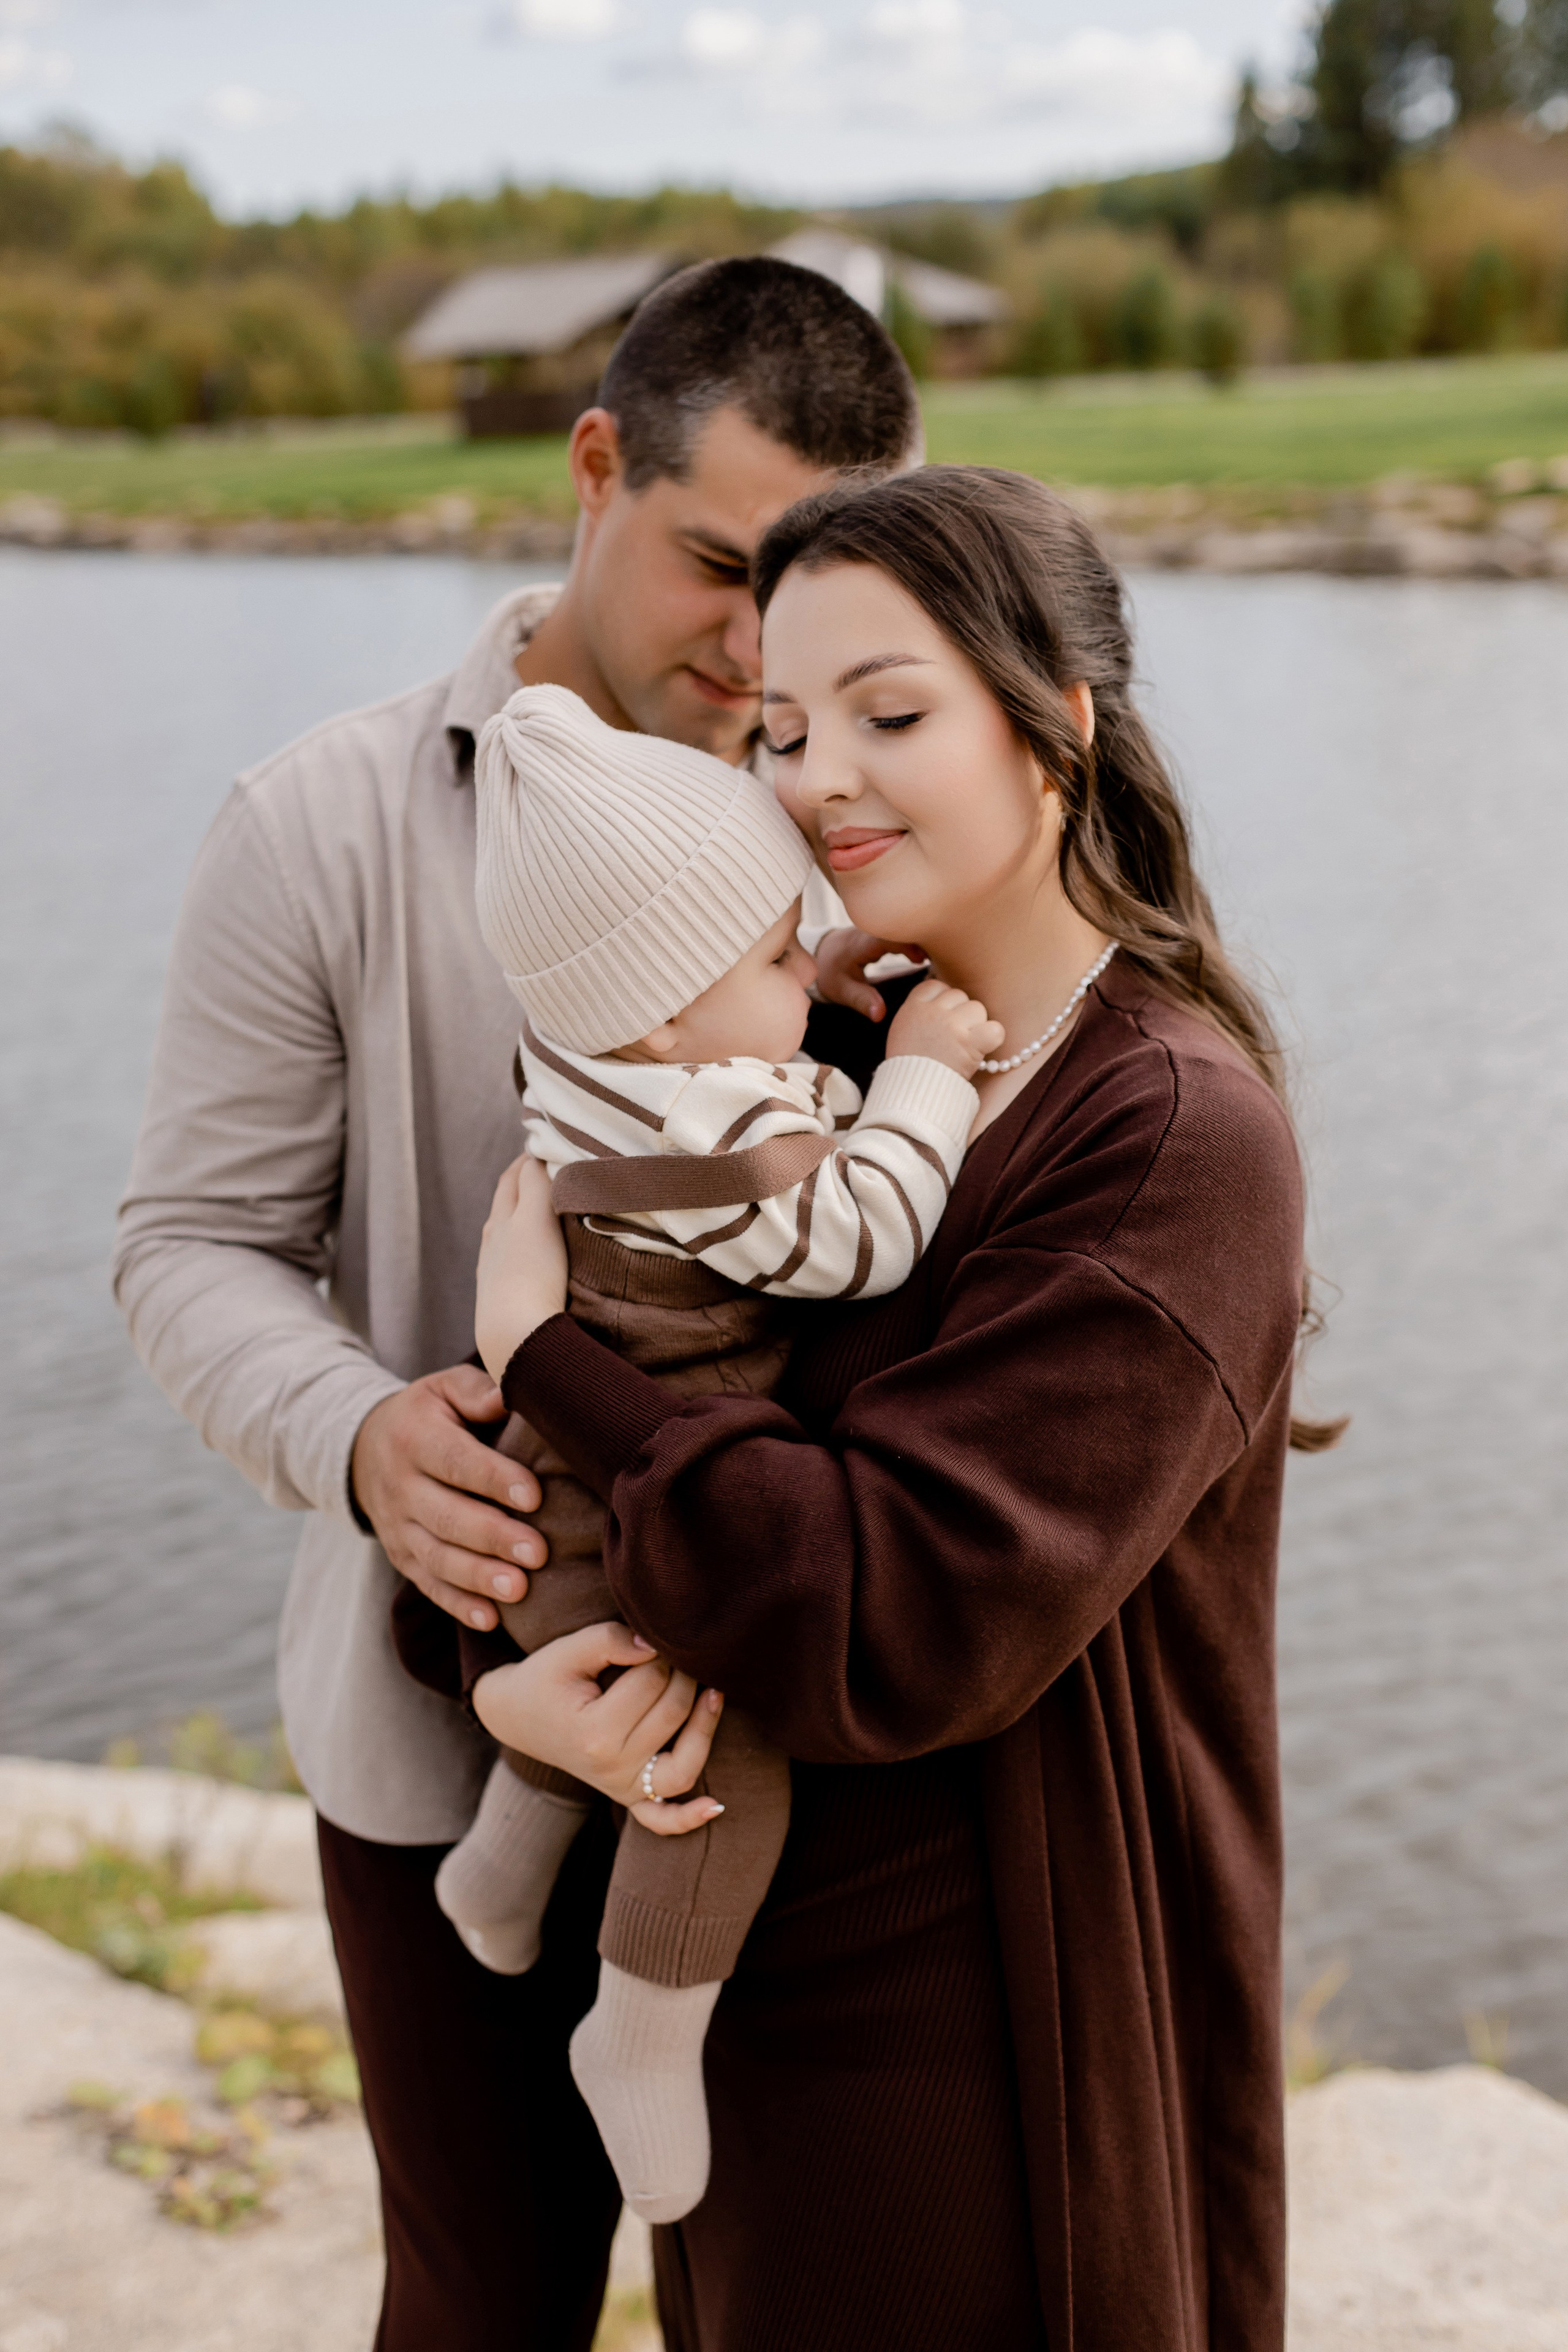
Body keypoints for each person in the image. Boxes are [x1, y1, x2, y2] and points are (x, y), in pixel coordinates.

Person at [112, 257, 923, 2351]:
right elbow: (187, 1243)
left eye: (819, 585)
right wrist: (363, 1440)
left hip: (806, 1735)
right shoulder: (315, 824)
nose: (762, 655)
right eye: (719, 567)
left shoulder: (872, 818)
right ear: (592, 470)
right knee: (481, 2308)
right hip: (438, 1740)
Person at [466, 465, 1321, 2352]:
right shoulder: (814, 1061)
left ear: (1057, 727)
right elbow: (622, 1435)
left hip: (1007, 2053)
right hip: (764, 1996)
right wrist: (509, 1678)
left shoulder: (1171, 1138)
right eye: (778, 725)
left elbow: (894, 1613)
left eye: (892, 712)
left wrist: (550, 1367)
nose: (817, 776)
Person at [403, 681, 997, 2225]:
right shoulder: (706, 1149)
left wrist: (826, 987)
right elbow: (856, 1229)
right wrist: (924, 1064)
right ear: (674, 1014)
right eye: (776, 950)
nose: (808, 958)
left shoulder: (602, 1050)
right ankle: (644, 2031)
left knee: (588, 1695)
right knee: (705, 1763)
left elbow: (757, 1050)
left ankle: (496, 1870)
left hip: (559, 1502)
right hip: (621, 1517)